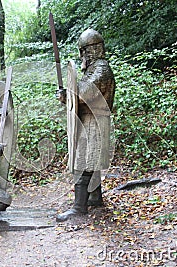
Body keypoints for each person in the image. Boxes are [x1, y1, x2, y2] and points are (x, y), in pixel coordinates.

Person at [56, 29, 116, 222]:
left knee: (84, 162)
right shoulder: (94, 68)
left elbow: (84, 93)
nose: (82, 55)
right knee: (91, 161)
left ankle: (79, 207)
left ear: (92, 50)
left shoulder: (101, 69)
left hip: (94, 120)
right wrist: (67, 95)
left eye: (84, 51)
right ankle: (95, 197)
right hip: (90, 119)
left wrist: (67, 95)